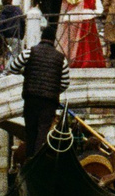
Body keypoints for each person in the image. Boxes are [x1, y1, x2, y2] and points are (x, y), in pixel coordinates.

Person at [8, 27, 70, 168]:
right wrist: (54, 89)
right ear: (54, 41)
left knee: (31, 130)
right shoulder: (61, 59)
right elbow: (65, 82)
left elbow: (13, 68)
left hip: (31, 98)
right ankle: (37, 161)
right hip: (49, 101)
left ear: (41, 37)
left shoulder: (30, 52)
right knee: (43, 131)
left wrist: (26, 72)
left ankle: (30, 159)